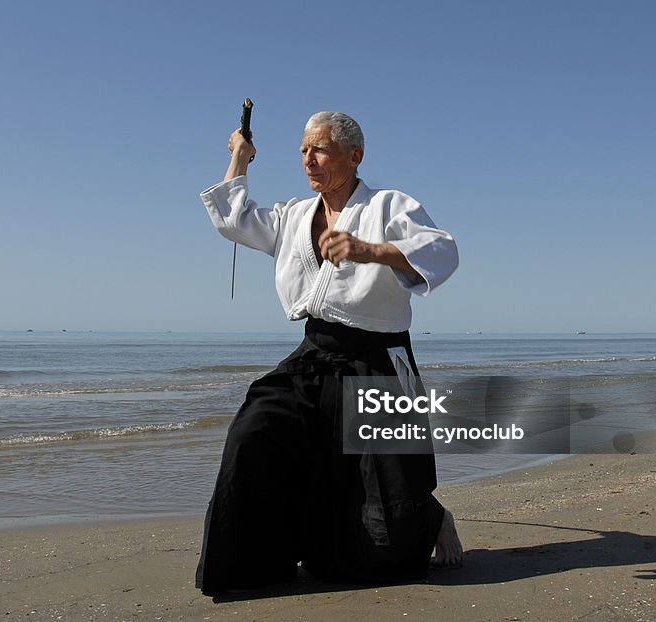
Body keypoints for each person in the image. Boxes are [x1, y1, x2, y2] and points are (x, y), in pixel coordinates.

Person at [196, 111, 462, 594]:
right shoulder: (295, 215)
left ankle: (434, 519)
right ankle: (259, 563)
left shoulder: (388, 205)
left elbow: (443, 252)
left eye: (318, 150)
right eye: (302, 150)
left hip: (377, 358)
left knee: (385, 504)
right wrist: (239, 156)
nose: (307, 160)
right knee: (256, 431)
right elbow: (234, 218)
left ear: (353, 156)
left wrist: (369, 250)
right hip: (315, 352)